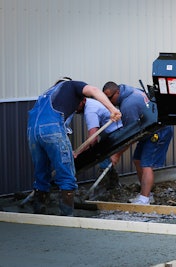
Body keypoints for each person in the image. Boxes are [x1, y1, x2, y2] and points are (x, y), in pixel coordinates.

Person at [27, 77, 122, 216]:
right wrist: (112, 109)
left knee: (42, 174)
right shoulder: (72, 85)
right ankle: (67, 216)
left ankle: (39, 213)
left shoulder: (48, 94)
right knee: (66, 176)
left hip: (31, 131)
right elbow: (94, 90)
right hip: (51, 129)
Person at [102, 81, 173, 205]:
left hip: (158, 131)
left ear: (117, 92)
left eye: (109, 98)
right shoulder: (129, 91)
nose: (109, 101)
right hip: (148, 129)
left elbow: (131, 136)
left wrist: (117, 154)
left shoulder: (128, 105)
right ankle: (146, 194)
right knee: (138, 160)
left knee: (146, 164)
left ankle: (145, 199)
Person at [76, 97, 123, 189]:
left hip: (115, 132)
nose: (74, 108)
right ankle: (113, 185)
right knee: (103, 157)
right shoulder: (91, 103)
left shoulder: (90, 111)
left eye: (76, 105)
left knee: (103, 157)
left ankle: (104, 188)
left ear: (83, 101)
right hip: (112, 132)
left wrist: (78, 152)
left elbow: (93, 138)